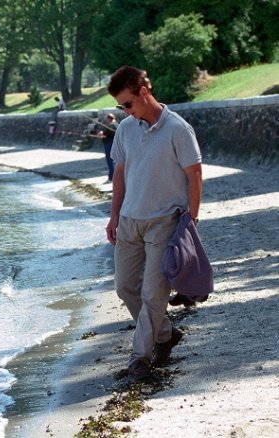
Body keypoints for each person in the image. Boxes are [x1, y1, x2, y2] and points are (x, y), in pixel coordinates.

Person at [105, 66, 202, 381]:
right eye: (121, 107)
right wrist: (114, 215)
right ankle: (165, 335)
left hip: (164, 222)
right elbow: (120, 172)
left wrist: (191, 221)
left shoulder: (178, 129)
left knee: (152, 294)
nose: (125, 111)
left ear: (143, 91)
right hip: (130, 221)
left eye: (128, 103)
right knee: (124, 287)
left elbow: (194, 175)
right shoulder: (126, 129)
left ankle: (140, 360)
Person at [99, 113, 118, 182]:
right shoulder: (117, 124)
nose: (106, 121)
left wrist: (100, 134)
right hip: (115, 145)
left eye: (107, 119)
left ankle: (111, 177)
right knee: (115, 161)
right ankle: (115, 177)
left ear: (109, 118)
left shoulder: (111, 126)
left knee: (110, 161)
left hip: (109, 145)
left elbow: (103, 134)